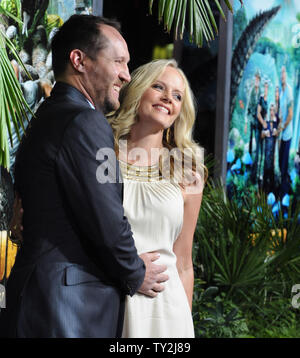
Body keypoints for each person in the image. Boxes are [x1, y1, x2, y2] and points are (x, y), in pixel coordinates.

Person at [0, 15, 168, 338]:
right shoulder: (86, 123)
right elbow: (107, 219)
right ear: (79, 60)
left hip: (38, 301)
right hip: (65, 312)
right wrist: (136, 272)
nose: (126, 75)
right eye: (118, 61)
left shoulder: (46, 117)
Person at [108, 59, 206, 338]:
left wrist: (184, 325)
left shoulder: (188, 172)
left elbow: (184, 262)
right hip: (108, 298)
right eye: (159, 87)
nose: (168, 99)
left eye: (177, 96)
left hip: (164, 308)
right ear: (138, 90)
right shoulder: (103, 154)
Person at [279, 66, 293, 198]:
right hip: (282, 135)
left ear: (286, 75)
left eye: (284, 73)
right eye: (280, 73)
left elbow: (290, 114)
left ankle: (283, 194)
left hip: (287, 135)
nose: (282, 75)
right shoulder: (282, 92)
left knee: (283, 165)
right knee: (281, 163)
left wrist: (282, 127)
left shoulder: (288, 91)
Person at [251, 80, 269, 185]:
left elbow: (265, 115)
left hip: (263, 130)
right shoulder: (261, 99)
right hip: (258, 129)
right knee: (257, 154)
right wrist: (263, 123)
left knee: (262, 154)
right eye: (265, 87)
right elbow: (258, 114)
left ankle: (259, 176)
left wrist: (266, 125)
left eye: (267, 87)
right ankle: (253, 177)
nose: (266, 89)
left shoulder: (266, 101)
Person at [261, 104, 279, 194]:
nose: (272, 112)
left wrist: (277, 132)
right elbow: (261, 135)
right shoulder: (266, 122)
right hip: (266, 155)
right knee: (265, 176)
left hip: (273, 156)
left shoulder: (276, 124)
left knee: (271, 177)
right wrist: (264, 133)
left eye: (273, 110)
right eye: (271, 110)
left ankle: (272, 195)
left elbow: (279, 135)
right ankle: (262, 194)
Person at [244, 70, 261, 158]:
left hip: (258, 119)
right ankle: (249, 156)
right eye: (256, 79)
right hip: (251, 118)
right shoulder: (252, 91)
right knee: (250, 138)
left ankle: (256, 158)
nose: (256, 81)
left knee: (257, 138)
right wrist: (246, 122)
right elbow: (247, 107)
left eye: (258, 79)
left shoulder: (261, 92)